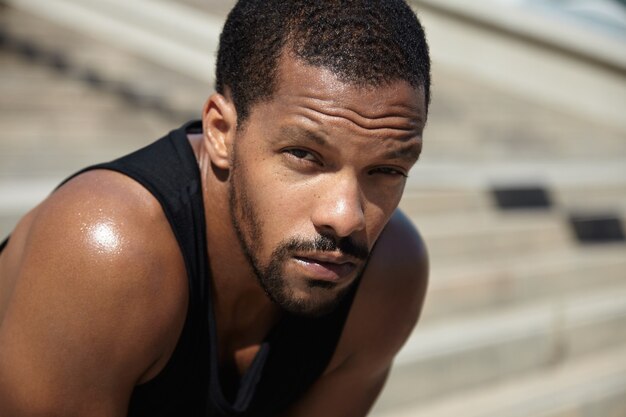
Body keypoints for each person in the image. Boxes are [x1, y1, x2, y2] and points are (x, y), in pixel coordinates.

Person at [0, 0, 430, 415]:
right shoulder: (105, 252)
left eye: (387, 170)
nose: (346, 217)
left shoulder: (390, 274)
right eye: (304, 155)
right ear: (221, 132)